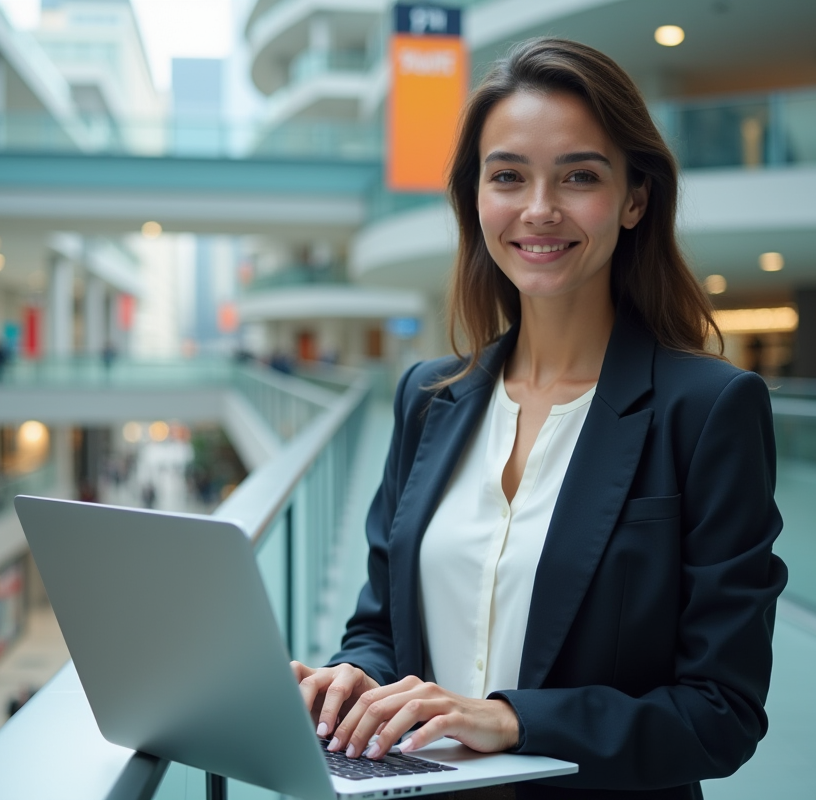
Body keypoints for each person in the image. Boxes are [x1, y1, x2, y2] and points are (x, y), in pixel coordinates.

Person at [291, 39, 786, 800]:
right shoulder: (427, 397)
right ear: (476, 198)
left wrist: (512, 720)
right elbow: (381, 625)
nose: (539, 209)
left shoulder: (708, 409)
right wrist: (356, 677)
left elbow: (721, 714)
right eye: (508, 176)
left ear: (635, 198)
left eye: (579, 176)